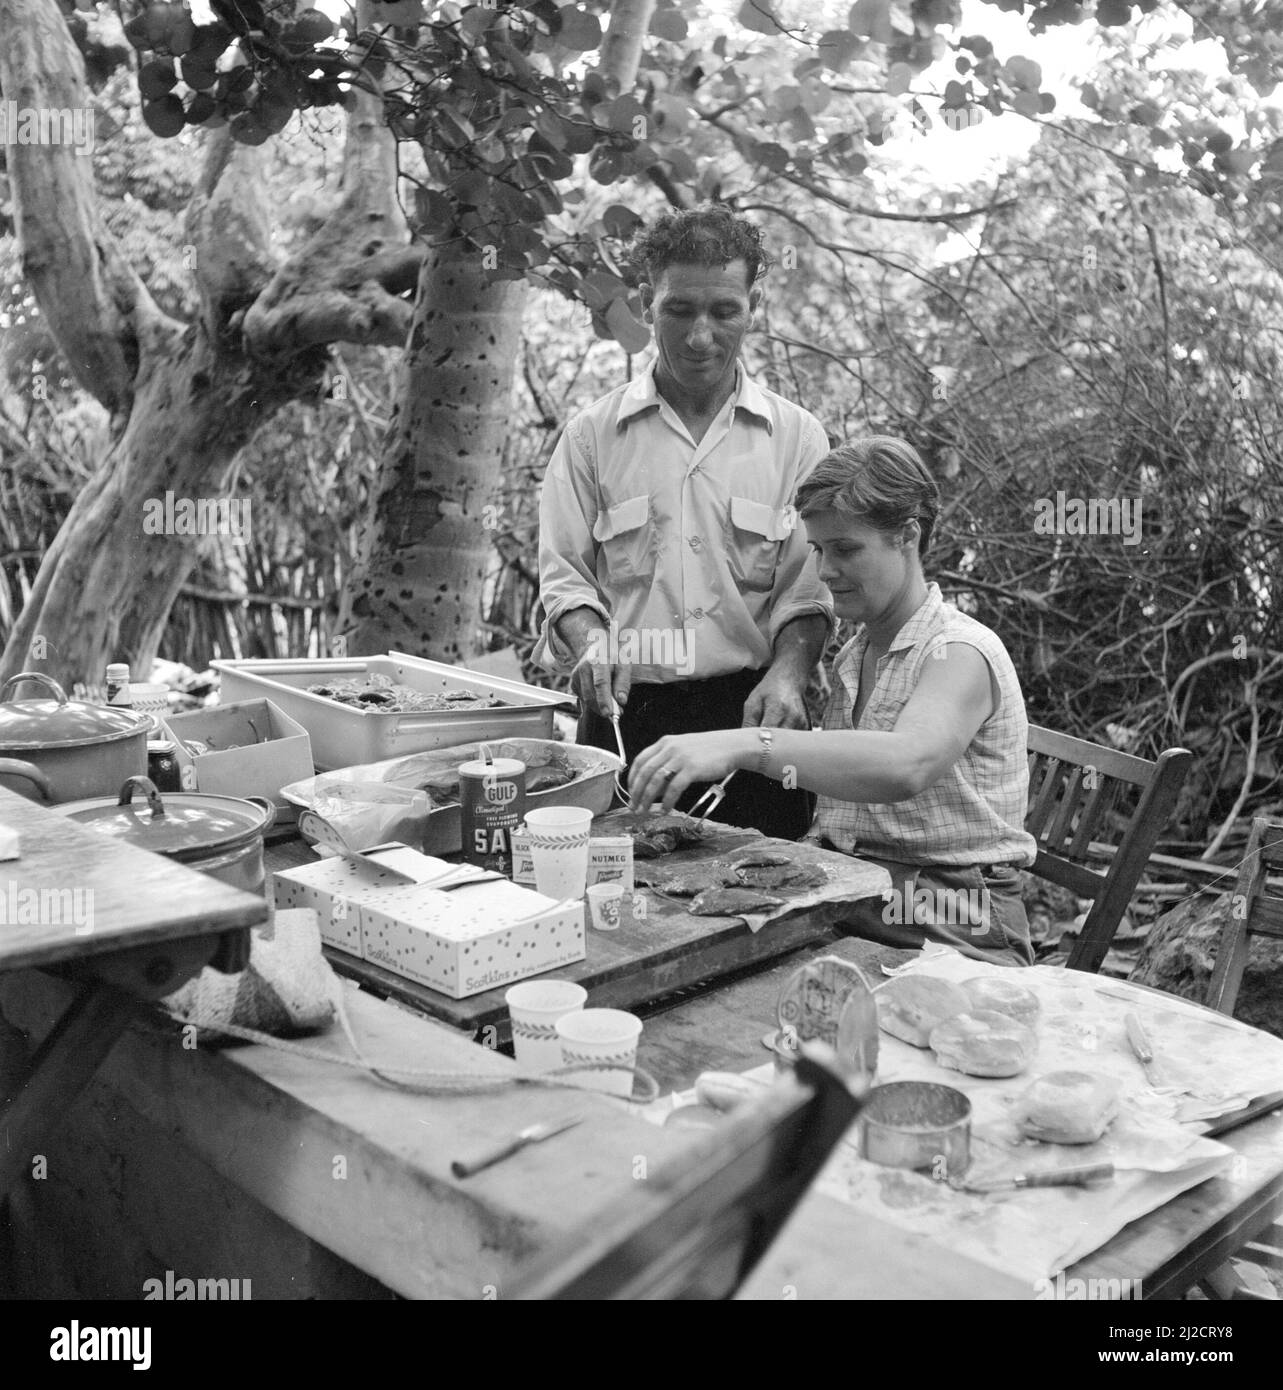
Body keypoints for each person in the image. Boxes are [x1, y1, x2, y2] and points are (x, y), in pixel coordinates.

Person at [628, 436, 1038, 966]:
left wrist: (748, 745)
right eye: (818, 550)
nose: (824, 571)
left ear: (907, 536)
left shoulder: (957, 651)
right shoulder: (862, 648)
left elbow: (905, 765)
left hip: (951, 921)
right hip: (858, 892)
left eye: (845, 549)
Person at [534, 206, 833, 839]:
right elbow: (565, 580)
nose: (701, 336)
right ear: (646, 302)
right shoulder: (591, 437)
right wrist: (593, 640)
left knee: (769, 902)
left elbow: (811, 591)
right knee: (616, 911)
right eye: (679, 310)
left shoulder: (799, 439)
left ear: (753, 305)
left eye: (724, 311)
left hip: (753, 724)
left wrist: (791, 672)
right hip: (625, 717)